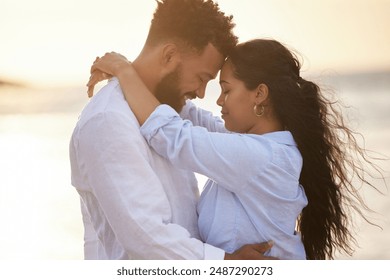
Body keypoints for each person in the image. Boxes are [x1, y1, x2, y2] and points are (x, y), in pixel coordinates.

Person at [88, 38, 384, 259]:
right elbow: (191, 118)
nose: (218, 101)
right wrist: (144, 73)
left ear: (260, 94)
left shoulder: (261, 158)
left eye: (226, 90)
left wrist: (125, 71)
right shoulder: (261, 148)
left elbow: (173, 135)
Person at [70, 0, 276, 260]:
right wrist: (227, 262)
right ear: (168, 56)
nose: (201, 93)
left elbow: (242, 142)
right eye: (202, 78)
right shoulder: (107, 120)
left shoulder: (172, 110)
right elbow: (147, 237)